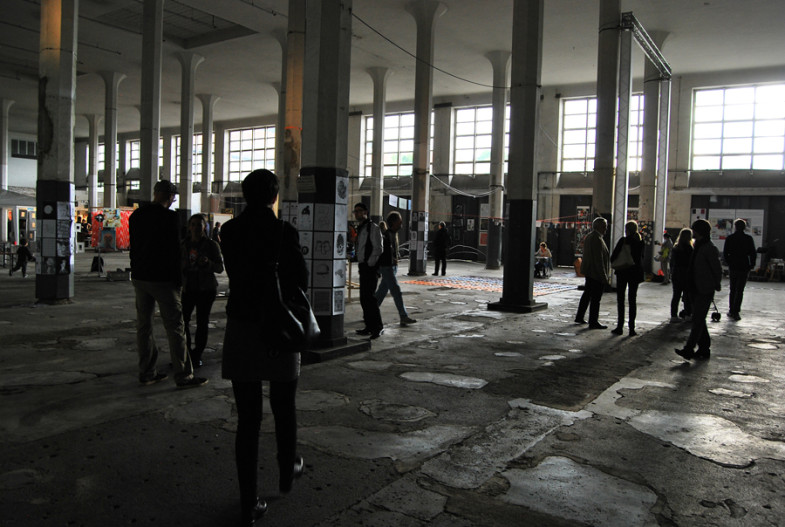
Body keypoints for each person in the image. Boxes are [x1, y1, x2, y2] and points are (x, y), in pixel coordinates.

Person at [221, 169, 307, 525]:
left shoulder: (228, 231)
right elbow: (300, 279)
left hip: (242, 326)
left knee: (248, 419)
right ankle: (287, 471)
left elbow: (236, 274)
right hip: (278, 326)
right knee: (284, 405)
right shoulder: (284, 232)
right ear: (274, 197)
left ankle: (248, 502)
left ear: (244, 195)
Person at [129, 180, 207, 389]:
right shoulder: (171, 217)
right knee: (175, 327)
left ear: (155, 193)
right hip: (163, 279)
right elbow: (174, 252)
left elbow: (133, 246)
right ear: (171, 196)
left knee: (144, 326)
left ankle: (147, 372)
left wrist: (135, 270)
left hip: (140, 277)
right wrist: (179, 281)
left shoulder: (137, 215)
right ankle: (184, 376)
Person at [180, 214, 224, 368]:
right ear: (189, 227)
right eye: (193, 224)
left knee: (202, 322)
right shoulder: (183, 245)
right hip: (188, 289)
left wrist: (208, 263)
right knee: (183, 321)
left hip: (206, 289)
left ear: (205, 227)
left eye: (199, 225)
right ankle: (185, 353)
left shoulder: (212, 245)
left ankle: (197, 354)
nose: (196, 228)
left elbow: (220, 268)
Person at [675, 219, 722, 361]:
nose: (693, 232)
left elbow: (716, 268)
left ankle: (689, 349)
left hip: (704, 288)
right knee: (699, 319)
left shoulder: (708, 248)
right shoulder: (699, 246)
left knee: (697, 320)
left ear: (699, 231)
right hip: (695, 287)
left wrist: (716, 283)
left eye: (694, 230)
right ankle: (704, 348)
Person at [375, 211, 418, 327]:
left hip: (392, 267)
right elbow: (383, 252)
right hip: (387, 267)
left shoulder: (394, 234)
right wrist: (391, 259)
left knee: (382, 291)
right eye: (399, 221)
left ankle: (370, 312)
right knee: (396, 291)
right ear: (394, 222)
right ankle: (403, 316)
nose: (401, 224)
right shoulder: (386, 235)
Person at [353, 202, 384, 339]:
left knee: (370, 298)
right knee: (364, 298)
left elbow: (378, 248)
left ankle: (377, 327)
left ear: (366, 212)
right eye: (355, 211)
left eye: (359, 211)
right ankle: (369, 326)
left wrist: (370, 263)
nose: (357, 213)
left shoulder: (373, 227)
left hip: (370, 267)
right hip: (363, 266)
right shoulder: (361, 228)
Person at [610, 221, 644, 336]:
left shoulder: (623, 240)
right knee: (632, 300)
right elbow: (641, 258)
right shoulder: (640, 242)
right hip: (635, 273)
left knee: (621, 299)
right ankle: (631, 328)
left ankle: (620, 326)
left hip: (623, 272)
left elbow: (614, 256)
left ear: (627, 230)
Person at [575, 217, 610, 329]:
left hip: (590, 272)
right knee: (595, 298)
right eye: (604, 226)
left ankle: (580, 316)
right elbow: (598, 260)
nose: (606, 229)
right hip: (595, 273)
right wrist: (604, 276)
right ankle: (593, 321)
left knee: (587, 294)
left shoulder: (590, 236)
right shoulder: (597, 239)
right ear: (598, 226)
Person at [723, 218, 756, 321]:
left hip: (733, 265)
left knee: (733, 289)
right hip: (744, 265)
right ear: (744, 227)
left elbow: (725, 252)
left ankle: (731, 309)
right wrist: (752, 264)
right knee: (740, 290)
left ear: (735, 227)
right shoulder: (748, 239)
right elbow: (752, 253)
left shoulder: (730, 238)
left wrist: (729, 262)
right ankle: (736, 311)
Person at [670, 228, 694, 323]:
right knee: (687, 295)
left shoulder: (676, 248)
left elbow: (672, 262)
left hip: (676, 274)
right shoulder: (690, 249)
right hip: (686, 274)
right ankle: (688, 314)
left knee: (676, 296)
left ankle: (673, 316)